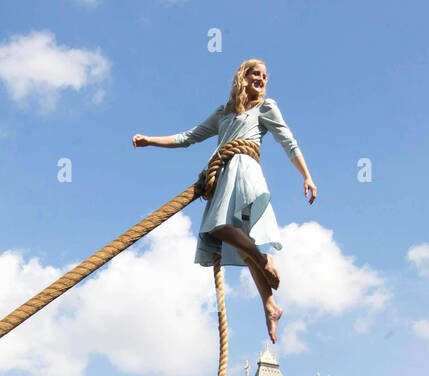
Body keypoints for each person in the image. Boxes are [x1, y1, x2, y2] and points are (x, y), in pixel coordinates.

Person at [132, 58, 317, 343]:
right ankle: (269, 305)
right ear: (242, 76)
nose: (262, 79)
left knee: (219, 229)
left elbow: (287, 140)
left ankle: (262, 257)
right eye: (256, 73)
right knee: (240, 242)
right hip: (224, 176)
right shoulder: (223, 114)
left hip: (244, 171)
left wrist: (306, 176)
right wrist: (150, 141)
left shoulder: (265, 107)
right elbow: (188, 137)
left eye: (265, 76)